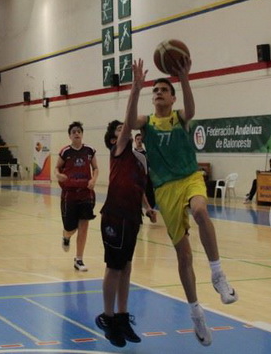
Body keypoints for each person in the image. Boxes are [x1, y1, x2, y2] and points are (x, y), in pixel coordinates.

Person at [129, 55, 237, 347]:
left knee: (201, 210)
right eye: (155, 90)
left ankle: (217, 274)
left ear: (172, 97)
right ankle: (196, 313)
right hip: (165, 189)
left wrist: (185, 77)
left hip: (190, 177)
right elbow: (129, 122)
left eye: (164, 90)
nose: (159, 93)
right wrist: (136, 88)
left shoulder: (179, 117)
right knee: (184, 256)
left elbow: (191, 109)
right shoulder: (147, 123)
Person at [96, 59, 157, 347]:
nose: (128, 130)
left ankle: (121, 315)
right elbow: (128, 118)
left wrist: (147, 207)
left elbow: (138, 186)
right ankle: (108, 317)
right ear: (114, 139)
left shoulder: (139, 157)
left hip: (132, 216)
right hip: (115, 215)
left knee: (127, 266)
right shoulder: (118, 149)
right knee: (114, 267)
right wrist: (136, 88)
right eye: (122, 129)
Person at [55, 121, 99, 272]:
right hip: (69, 194)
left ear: (82, 134)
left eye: (79, 131)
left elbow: (96, 168)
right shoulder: (65, 152)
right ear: (70, 135)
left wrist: (93, 180)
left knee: (84, 226)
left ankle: (79, 259)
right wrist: (58, 175)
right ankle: (66, 236)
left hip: (86, 193)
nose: (76, 133)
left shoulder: (90, 150)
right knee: (71, 228)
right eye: (73, 132)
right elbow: (56, 168)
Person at [134, 132, 156, 214]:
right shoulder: (132, 153)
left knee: (149, 194)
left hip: (147, 177)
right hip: (136, 178)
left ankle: (150, 210)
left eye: (141, 139)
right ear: (135, 141)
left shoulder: (147, 153)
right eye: (137, 139)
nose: (139, 141)